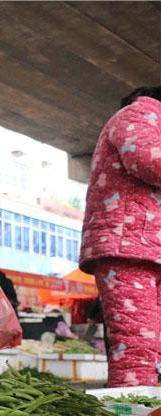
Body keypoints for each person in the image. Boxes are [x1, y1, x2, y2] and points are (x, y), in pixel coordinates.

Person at [79, 86, 161, 387]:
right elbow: (149, 161)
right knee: (137, 348)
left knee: (151, 349)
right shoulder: (139, 114)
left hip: (145, 248)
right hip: (127, 246)